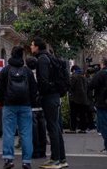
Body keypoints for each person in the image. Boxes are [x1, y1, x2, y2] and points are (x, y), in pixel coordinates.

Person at [0, 46, 37, 169]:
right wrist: (31, 101)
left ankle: (8, 159)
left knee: (9, 132)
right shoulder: (27, 71)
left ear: (11, 54)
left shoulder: (5, 70)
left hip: (9, 105)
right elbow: (34, 89)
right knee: (26, 133)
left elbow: (0, 88)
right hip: (25, 105)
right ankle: (26, 161)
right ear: (22, 56)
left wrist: (0, 101)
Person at [30, 37, 66, 169]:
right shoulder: (50, 57)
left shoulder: (42, 59)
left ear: (37, 47)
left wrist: (41, 94)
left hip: (49, 97)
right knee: (55, 127)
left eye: (32, 45)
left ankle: (55, 159)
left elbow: (43, 81)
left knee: (52, 127)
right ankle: (61, 159)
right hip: (55, 95)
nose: (31, 47)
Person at [26, 56, 47, 159]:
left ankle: (35, 151)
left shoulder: (27, 74)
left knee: (33, 130)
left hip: (31, 105)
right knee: (42, 128)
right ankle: (42, 151)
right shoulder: (41, 73)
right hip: (41, 105)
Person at [68, 65, 89, 133]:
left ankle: (73, 129)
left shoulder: (74, 77)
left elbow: (71, 86)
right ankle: (83, 129)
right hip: (84, 98)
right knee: (82, 114)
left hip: (75, 99)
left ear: (73, 70)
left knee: (73, 114)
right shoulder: (84, 77)